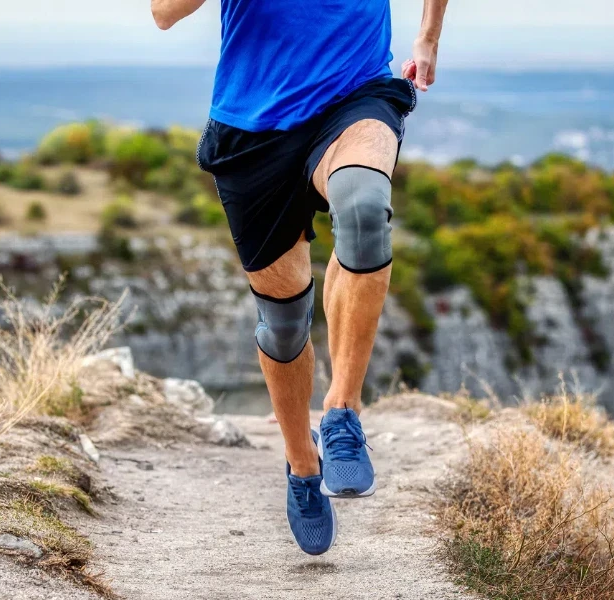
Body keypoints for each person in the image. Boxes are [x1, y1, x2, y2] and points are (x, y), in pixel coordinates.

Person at [151, 0, 449, 556]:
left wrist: (428, 35)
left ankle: (341, 410)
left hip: (354, 94)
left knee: (362, 213)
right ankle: (302, 464)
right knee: (284, 322)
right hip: (252, 128)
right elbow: (163, 12)